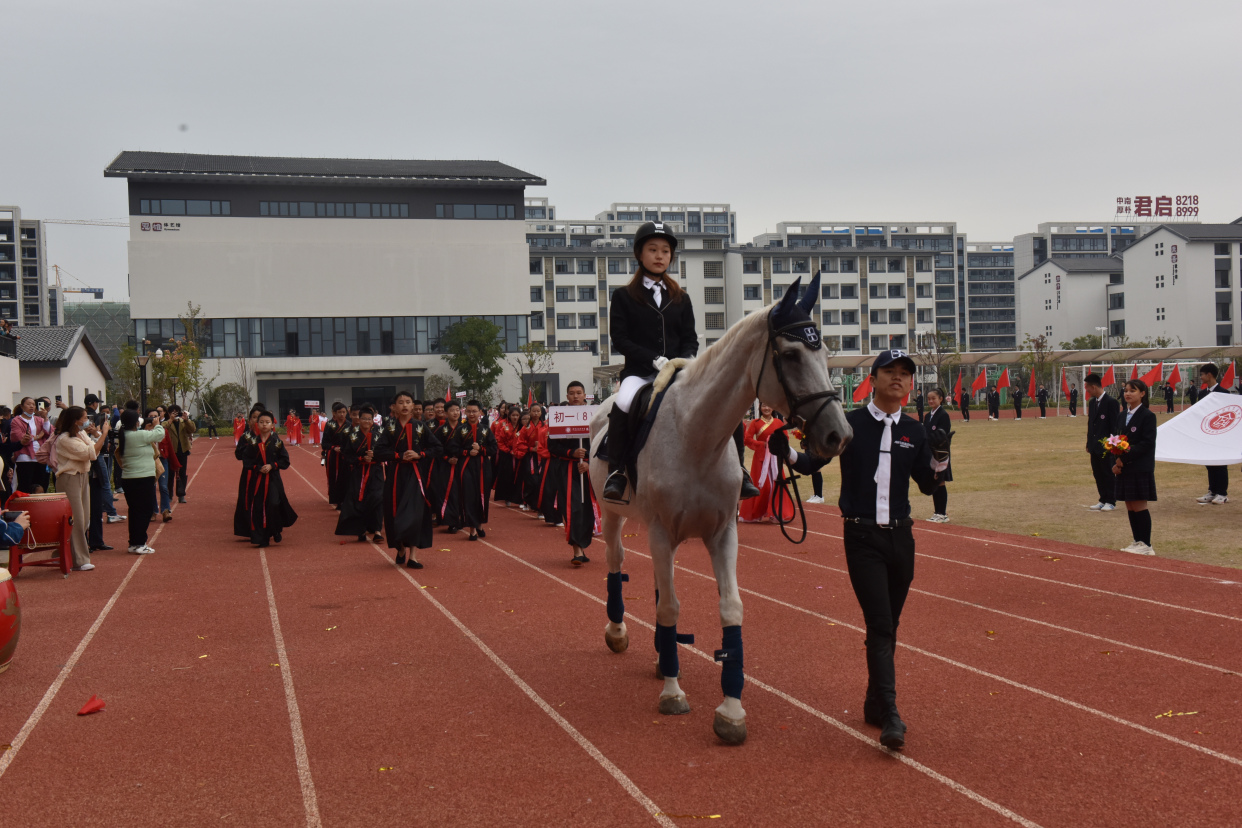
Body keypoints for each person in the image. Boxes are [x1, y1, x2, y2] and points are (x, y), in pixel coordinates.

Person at [768, 349, 946, 750]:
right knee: (881, 625)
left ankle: (873, 701)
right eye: (889, 372)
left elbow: (928, 485)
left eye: (904, 374)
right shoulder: (850, 423)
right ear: (875, 378)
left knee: (888, 627)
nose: (897, 379)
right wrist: (787, 453)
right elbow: (813, 462)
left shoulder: (915, 430)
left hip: (902, 538)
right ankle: (891, 713)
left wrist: (940, 455)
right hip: (862, 537)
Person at [603, 221, 699, 502]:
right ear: (639, 254)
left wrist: (682, 362)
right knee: (623, 401)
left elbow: (690, 339)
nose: (659, 256)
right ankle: (617, 471)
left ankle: (737, 470)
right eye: (653, 249)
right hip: (641, 372)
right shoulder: (623, 296)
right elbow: (620, 339)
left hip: (677, 373)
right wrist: (654, 359)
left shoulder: (682, 298)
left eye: (665, 251)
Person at [375, 393, 442, 568]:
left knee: (415, 514)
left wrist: (420, 454)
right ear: (394, 407)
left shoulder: (420, 426)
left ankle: (413, 555)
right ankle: (400, 548)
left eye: (408, 402)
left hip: (416, 476)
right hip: (396, 475)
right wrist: (398, 456)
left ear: (413, 406)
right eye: (400, 402)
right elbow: (379, 451)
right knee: (394, 513)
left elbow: (437, 447)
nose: (404, 405)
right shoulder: (388, 428)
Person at [547, 381, 598, 564]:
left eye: (578, 392)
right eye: (571, 393)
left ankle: (582, 545)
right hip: (568, 469)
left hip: (589, 469)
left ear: (585, 395)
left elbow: (602, 443)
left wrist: (590, 463)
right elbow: (551, 446)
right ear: (566, 396)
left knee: (586, 510)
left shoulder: (595, 415)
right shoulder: (558, 416)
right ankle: (576, 549)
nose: (575, 396)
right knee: (573, 507)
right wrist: (571, 453)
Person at [52, 406, 108, 572]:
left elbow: (94, 450)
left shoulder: (81, 433)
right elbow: (89, 453)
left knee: (84, 519)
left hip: (83, 476)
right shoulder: (64, 438)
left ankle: (61, 554)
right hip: (69, 478)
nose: (87, 421)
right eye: (84, 418)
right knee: (76, 519)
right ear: (75, 420)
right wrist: (103, 434)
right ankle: (79, 560)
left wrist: (97, 437)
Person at [1109, 379, 1158, 555]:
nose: (1128, 394)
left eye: (1133, 390)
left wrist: (1125, 457)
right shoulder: (1122, 415)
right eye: (1126, 390)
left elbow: (1146, 443)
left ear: (1142, 394)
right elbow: (1114, 440)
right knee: (1130, 504)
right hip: (1124, 467)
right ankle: (1137, 541)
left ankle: (1146, 544)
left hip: (1139, 466)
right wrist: (1116, 461)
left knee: (1139, 505)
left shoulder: (1148, 416)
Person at [235, 411, 298, 548]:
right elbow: (246, 460)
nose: (264, 425)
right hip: (257, 480)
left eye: (267, 422)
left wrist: (273, 466)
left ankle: (275, 529)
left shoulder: (276, 442)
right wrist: (258, 467)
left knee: (274, 504)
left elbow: (285, 460)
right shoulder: (252, 442)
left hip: (273, 479)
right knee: (258, 507)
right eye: (261, 422)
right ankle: (262, 538)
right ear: (257, 424)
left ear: (272, 425)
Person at [447, 400, 498, 541]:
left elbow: (494, 448)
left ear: (480, 412)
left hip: (483, 468)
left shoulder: (486, 430)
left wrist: (481, 450)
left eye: (474, 411)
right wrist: (467, 452)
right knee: (469, 496)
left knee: (482, 496)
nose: (471, 414)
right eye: (468, 411)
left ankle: (479, 524)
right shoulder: (460, 430)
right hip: (466, 467)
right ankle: (472, 529)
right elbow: (452, 448)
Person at [115, 408, 164, 554]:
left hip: (129, 479)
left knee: (135, 511)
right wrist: (158, 423)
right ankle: (140, 543)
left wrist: (147, 428)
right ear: (136, 422)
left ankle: (134, 543)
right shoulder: (140, 435)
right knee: (145, 511)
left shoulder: (124, 435)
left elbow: (143, 436)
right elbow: (160, 434)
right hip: (143, 478)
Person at [738, 404, 795, 524]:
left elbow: (785, 439)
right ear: (760, 408)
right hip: (761, 458)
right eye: (764, 406)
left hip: (775, 458)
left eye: (769, 406)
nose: (766, 408)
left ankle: (776, 512)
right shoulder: (755, 423)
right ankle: (756, 513)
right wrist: (762, 444)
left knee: (777, 484)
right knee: (763, 486)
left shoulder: (779, 423)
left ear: (773, 408)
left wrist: (777, 446)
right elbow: (747, 439)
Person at [336, 404, 384, 543]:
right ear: (359, 419)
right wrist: (361, 458)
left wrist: (375, 455)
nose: (367, 422)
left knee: (377, 498)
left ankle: (377, 531)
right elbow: (346, 455)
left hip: (376, 472)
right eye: (364, 419)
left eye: (370, 419)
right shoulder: (352, 436)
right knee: (359, 500)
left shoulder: (379, 435)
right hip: (358, 473)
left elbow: (386, 453)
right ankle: (360, 529)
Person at [1083, 373, 1121, 512]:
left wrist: (1112, 445)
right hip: (1094, 446)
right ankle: (1102, 499)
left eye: (1087, 387)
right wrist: (1089, 442)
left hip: (1107, 446)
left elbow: (1114, 426)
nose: (1086, 390)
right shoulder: (1092, 403)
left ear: (1094, 387)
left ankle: (1111, 501)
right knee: (1097, 473)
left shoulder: (1111, 402)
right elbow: (1091, 424)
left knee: (1108, 473)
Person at [1196, 363, 1230, 505]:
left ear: (1209, 375)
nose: (1201, 377)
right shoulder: (1202, 393)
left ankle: (1222, 493)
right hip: (1207, 434)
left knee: (1220, 464)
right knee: (1209, 463)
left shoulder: (1224, 393)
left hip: (1220, 434)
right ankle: (1212, 491)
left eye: (1202, 374)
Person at [430, 399, 464, 530]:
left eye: (457, 410)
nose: (455, 413)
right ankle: (451, 521)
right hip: (445, 465)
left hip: (461, 464)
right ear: (446, 413)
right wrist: (447, 458)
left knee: (461, 491)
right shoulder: (441, 430)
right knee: (448, 492)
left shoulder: (464, 427)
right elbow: (437, 448)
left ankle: (461, 518)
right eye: (452, 410)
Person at [922, 389, 953, 523]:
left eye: (933, 398)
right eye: (929, 399)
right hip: (930, 453)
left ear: (941, 399)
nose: (930, 401)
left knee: (940, 482)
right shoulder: (928, 416)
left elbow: (942, 435)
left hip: (940, 454)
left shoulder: (943, 415)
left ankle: (942, 513)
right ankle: (937, 512)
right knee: (935, 482)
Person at [9, 397, 51, 494]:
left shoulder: (39, 419)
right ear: (22, 406)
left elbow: (48, 432)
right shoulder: (17, 420)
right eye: (28, 404)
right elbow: (19, 437)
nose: (31, 406)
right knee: (25, 485)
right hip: (25, 457)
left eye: (33, 404)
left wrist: (45, 418)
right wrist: (37, 437)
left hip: (40, 456)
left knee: (39, 485)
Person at [493, 405, 525, 506]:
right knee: (507, 476)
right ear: (509, 416)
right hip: (507, 455)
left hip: (519, 455)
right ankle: (507, 497)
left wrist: (519, 451)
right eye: (513, 415)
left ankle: (519, 498)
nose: (515, 417)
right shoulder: (504, 428)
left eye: (517, 415)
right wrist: (508, 450)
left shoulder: (523, 428)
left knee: (519, 476)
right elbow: (500, 442)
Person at [322, 403, 353, 508]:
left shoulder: (349, 425)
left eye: (344, 412)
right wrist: (333, 448)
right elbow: (325, 442)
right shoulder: (330, 424)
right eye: (339, 412)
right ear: (334, 413)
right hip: (333, 455)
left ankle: (345, 498)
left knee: (345, 476)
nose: (342, 414)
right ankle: (336, 499)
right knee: (333, 476)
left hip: (345, 455)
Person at [165, 404, 196, 504]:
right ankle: (169, 495)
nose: (175, 414)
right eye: (172, 412)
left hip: (182, 450)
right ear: (169, 413)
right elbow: (162, 429)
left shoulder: (183, 422)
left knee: (182, 473)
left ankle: (181, 494)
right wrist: (170, 420)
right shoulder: (166, 423)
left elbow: (192, 429)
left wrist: (186, 419)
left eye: (176, 412)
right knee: (170, 474)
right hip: (171, 452)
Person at [521, 403, 548, 514]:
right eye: (534, 411)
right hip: (531, 456)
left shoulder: (545, 426)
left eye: (538, 411)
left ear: (541, 413)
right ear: (530, 412)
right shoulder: (525, 427)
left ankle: (539, 506)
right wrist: (531, 449)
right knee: (532, 480)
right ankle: (529, 500)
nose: (536, 413)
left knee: (541, 480)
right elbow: (520, 444)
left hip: (543, 456)